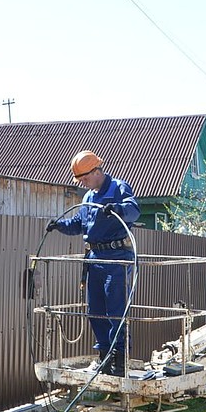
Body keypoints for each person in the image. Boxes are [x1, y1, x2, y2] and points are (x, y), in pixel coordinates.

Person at [47, 151, 140, 377]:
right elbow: (80, 224)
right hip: (95, 258)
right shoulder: (88, 198)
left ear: (97, 172)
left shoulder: (118, 188)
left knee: (116, 309)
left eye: (85, 179)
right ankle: (105, 356)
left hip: (117, 257)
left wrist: (117, 209)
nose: (83, 183)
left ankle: (119, 358)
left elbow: (133, 210)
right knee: (95, 310)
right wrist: (60, 225)